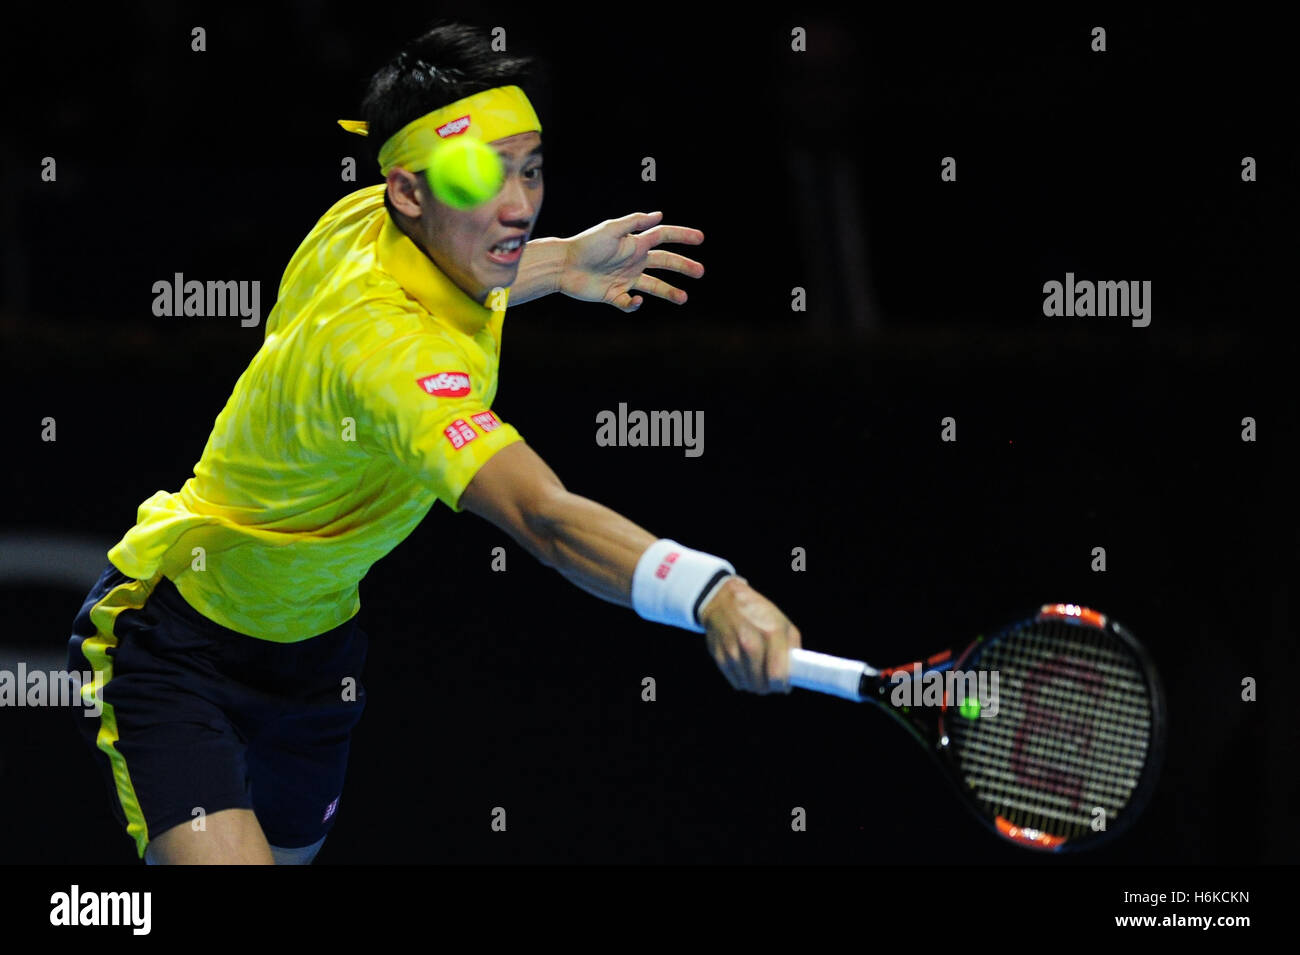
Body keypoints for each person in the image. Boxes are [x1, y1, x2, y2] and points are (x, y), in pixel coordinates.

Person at [67, 22, 802, 865]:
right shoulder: (388, 355)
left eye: (528, 169)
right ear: (410, 191)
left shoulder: (364, 220)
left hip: (314, 655)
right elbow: (544, 517)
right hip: (179, 640)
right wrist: (711, 592)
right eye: (480, 178)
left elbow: (467, 264)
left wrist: (560, 264)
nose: (519, 206)